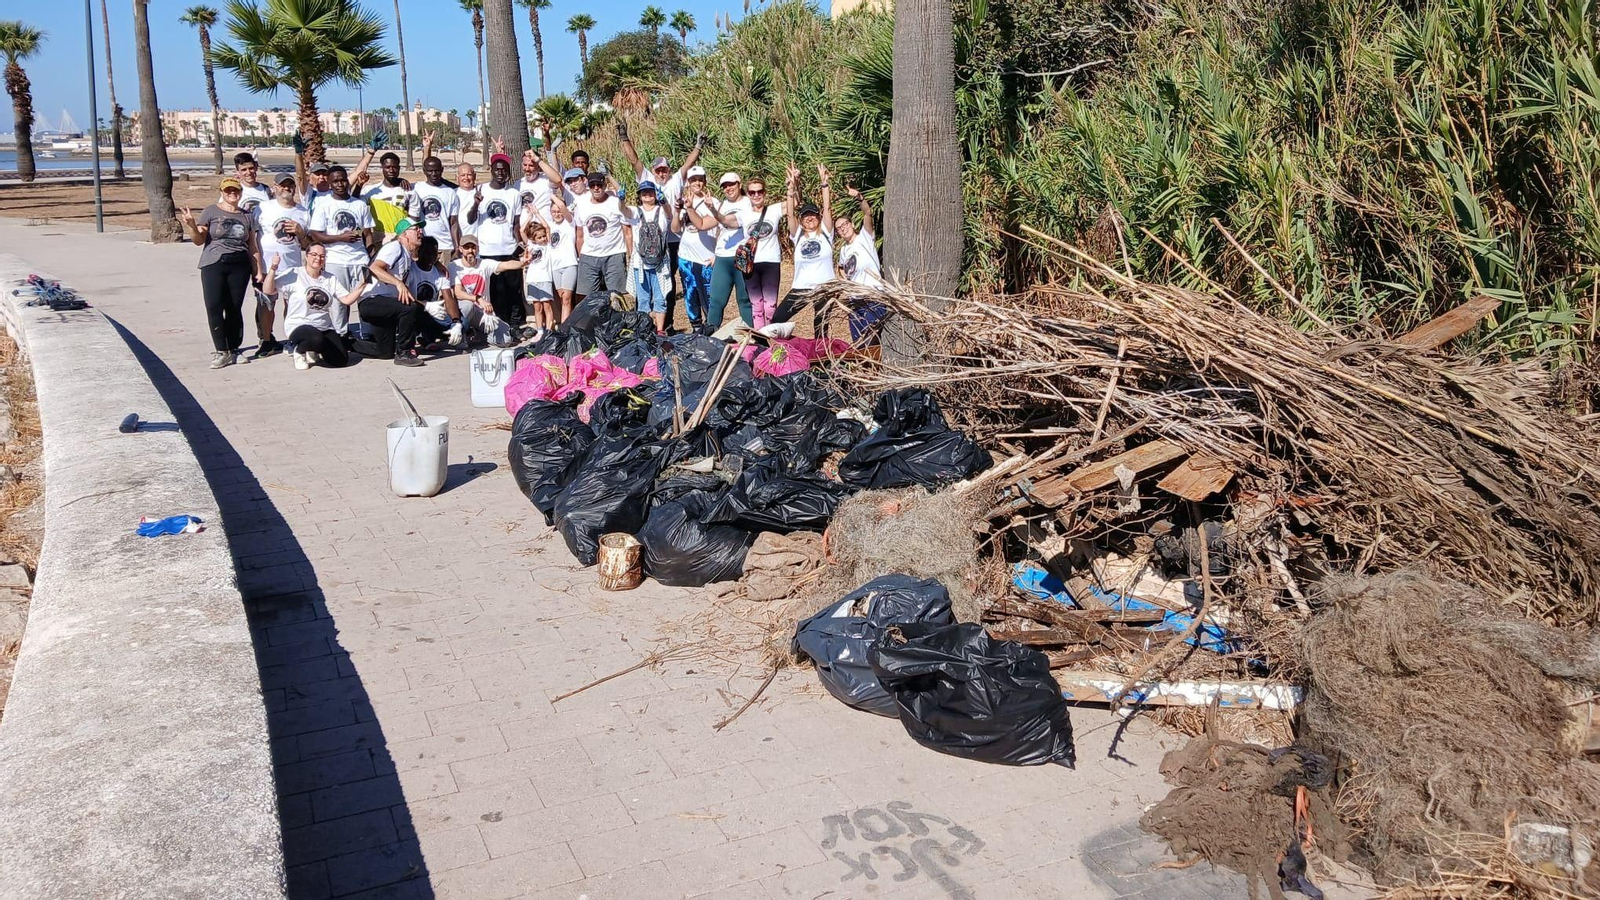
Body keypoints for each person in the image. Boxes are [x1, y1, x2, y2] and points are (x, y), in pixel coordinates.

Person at [178, 178, 263, 369]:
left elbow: (252, 245)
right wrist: (191, 225)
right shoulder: (211, 211)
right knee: (214, 306)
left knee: (234, 307)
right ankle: (221, 351)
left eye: (236, 190)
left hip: (239, 264)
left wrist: (258, 269)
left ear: (241, 193)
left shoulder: (247, 216)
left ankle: (234, 349)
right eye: (228, 190)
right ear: (222, 192)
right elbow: (199, 240)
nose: (232, 193)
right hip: (213, 263)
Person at [617, 121, 704, 304]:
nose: (662, 173)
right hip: (650, 238)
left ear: (669, 170)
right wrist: (624, 138)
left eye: (664, 170)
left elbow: (689, 163)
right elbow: (634, 160)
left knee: (669, 279)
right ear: (653, 170)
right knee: (647, 279)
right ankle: (647, 315)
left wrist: (698, 146)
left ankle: (667, 320)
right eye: (658, 170)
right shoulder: (647, 178)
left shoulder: (675, 181)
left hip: (674, 238)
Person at [260, 244, 364, 370]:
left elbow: (347, 300)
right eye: (314, 255)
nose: (318, 259)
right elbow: (268, 290)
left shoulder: (330, 278)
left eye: (322, 256)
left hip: (324, 326)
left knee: (340, 360)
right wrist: (273, 268)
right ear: (307, 256)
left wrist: (363, 285)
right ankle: (299, 351)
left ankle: (313, 349)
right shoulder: (294, 274)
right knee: (315, 338)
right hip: (299, 325)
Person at [307, 165, 375, 336]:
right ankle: (341, 334)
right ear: (329, 184)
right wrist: (339, 238)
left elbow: (367, 233)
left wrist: (371, 258)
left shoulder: (359, 204)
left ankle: (367, 334)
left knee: (366, 297)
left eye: (343, 180)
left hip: (360, 260)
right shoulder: (324, 205)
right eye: (335, 181)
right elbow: (316, 234)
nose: (340, 184)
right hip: (336, 261)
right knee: (339, 302)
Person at [685, 171, 755, 331]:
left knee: (744, 300)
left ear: (739, 184)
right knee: (716, 301)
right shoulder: (721, 205)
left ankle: (751, 339)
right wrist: (689, 209)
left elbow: (736, 223)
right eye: (724, 186)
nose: (728, 188)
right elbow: (702, 224)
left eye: (732, 184)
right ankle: (711, 337)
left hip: (742, 257)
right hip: (723, 258)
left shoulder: (749, 202)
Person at [464, 153, 525, 332]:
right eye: (497, 169)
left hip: (509, 249)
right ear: (491, 170)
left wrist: (520, 244)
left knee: (514, 290)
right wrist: (475, 204)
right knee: (496, 292)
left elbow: (515, 223)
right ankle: (499, 325)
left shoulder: (514, 194)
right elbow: (470, 219)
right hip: (488, 250)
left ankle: (516, 325)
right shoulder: (481, 190)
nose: (500, 172)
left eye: (504, 170)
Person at [252, 172, 310, 358]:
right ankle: (266, 341)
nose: (287, 188)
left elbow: (307, 245)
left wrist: (300, 233)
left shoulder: (302, 212)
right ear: (275, 187)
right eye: (282, 185)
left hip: (292, 266)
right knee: (267, 304)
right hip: (268, 267)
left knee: (292, 304)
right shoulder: (263, 208)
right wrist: (258, 267)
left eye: (290, 185)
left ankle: (292, 339)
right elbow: (252, 239)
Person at [360, 218, 429, 366]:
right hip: (372, 300)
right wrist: (398, 283)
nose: (420, 232)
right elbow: (374, 268)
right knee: (409, 308)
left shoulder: (407, 256)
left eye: (420, 229)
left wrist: (426, 305)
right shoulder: (395, 247)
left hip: (387, 304)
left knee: (384, 352)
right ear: (404, 234)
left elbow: (407, 292)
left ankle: (346, 344)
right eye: (415, 229)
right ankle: (404, 352)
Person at [779, 163, 836, 335]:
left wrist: (824, 183)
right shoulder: (798, 235)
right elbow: (789, 214)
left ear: (818, 217)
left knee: (820, 327)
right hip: (801, 287)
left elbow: (827, 208)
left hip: (824, 286)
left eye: (812, 215)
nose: (809, 218)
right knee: (776, 320)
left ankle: (822, 360)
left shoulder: (826, 233)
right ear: (801, 220)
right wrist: (790, 190)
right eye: (805, 216)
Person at [448, 234, 527, 345]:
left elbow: (505, 265)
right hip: (466, 310)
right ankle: (462, 335)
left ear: (478, 249)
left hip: (484, 313)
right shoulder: (454, 266)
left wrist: (523, 263)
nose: (470, 251)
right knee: (467, 305)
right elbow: (458, 293)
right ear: (460, 249)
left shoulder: (484, 264)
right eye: (467, 247)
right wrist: (478, 299)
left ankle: (478, 334)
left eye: (473, 247)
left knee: (505, 340)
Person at [834, 183, 887, 343]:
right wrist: (844, 282)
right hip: (855, 300)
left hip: (873, 295)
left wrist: (860, 198)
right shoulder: (843, 250)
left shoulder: (865, 237)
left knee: (873, 338)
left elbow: (867, 213)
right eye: (839, 228)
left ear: (852, 224)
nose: (843, 229)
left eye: (845, 224)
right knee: (859, 340)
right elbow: (842, 268)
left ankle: (875, 367)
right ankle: (864, 367)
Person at [572, 171, 631, 298]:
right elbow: (580, 233)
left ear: (605, 186)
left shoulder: (615, 202)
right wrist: (580, 255)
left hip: (614, 254)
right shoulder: (581, 204)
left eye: (599, 185)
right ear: (589, 186)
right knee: (586, 297)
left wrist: (630, 255)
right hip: (588, 255)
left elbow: (627, 231)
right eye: (593, 185)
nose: (596, 188)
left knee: (617, 296)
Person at [627, 181, 674, 335]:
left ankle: (660, 330)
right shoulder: (635, 212)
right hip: (639, 263)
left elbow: (670, 215)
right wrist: (620, 200)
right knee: (643, 299)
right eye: (644, 192)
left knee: (660, 298)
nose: (647, 195)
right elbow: (624, 211)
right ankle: (645, 330)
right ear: (639, 195)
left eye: (650, 192)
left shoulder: (661, 211)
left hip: (660, 263)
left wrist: (664, 201)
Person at [675, 166, 716, 331]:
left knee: (708, 294)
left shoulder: (713, 203)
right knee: (690, 293)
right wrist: (678, 209)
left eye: (700, 179)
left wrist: (717, 255)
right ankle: (696, 327)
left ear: (705, 181)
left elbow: (715, 228)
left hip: (706, 257)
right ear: (688, 183)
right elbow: (675, 228)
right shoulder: (683, 202)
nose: (697, 183)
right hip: (686, 256)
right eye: (693, 180)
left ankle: (711, 325)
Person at [408, 236, 465, 348]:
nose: (431, 256)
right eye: (427, 252)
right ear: (418, 252)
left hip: (434, 312)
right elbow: (405, 296)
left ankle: (432, 336)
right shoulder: (411, 269)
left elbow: (448, 298)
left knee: (464, 323)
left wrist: (456, 322)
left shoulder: (440, 273)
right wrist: (426, 305)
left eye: (434, 253)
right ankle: (421, 338)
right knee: (416, 312)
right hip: (416, 310)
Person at [743, 175, 784, 329]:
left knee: (770, 304)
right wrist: (712, 208)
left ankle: (771, 335)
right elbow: (724, 221)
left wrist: (793, 186)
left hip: (771, 261)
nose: (756, 195)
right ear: (748, 194)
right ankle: (760, 337)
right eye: (752, 192)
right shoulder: (744, 214)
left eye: (760, 191)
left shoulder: (774, 210)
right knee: (756, 305)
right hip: (751, 263)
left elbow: (794, 203)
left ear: (765, 192)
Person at [409, 149, 463, 258]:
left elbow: (454, 223)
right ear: (424, 171)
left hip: (445, 245)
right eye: (430, 171)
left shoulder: (450, 192)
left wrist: (457, 247)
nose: (433, 174)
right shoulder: (416, 188)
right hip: (422, 244)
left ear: (442, 170)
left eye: (437, 170)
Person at [520, 209, 558, 336]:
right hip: (532, 279)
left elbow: (547, 227)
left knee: (547, 306)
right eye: (539, 237)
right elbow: (521, 230)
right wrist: (529, 217)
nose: (542, 239)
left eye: (543, 236)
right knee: (537, 307)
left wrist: (537, 214)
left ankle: (548, 330)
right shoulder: (530, 244)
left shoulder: (547, 246)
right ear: (533, 238)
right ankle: (540, 330)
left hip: (545, 278)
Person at [547, 196, 578, 324]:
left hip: (569, 264)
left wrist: (552, 194)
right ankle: (565, 323)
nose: (557, 214)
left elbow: (563, 208)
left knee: (566, 298)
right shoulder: (550, 226)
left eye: (559, 211)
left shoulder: (569, 223)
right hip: (555, 266)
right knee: (561, 298)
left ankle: (564, 328)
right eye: (554, 211)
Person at [454, 162, 481, 247]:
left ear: (474, 176)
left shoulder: (481, 192)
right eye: (463, 175)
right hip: (460, 240)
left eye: (469, 175)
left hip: (478, 241)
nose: (466, 178)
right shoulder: (453, 194)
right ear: (457, 177)